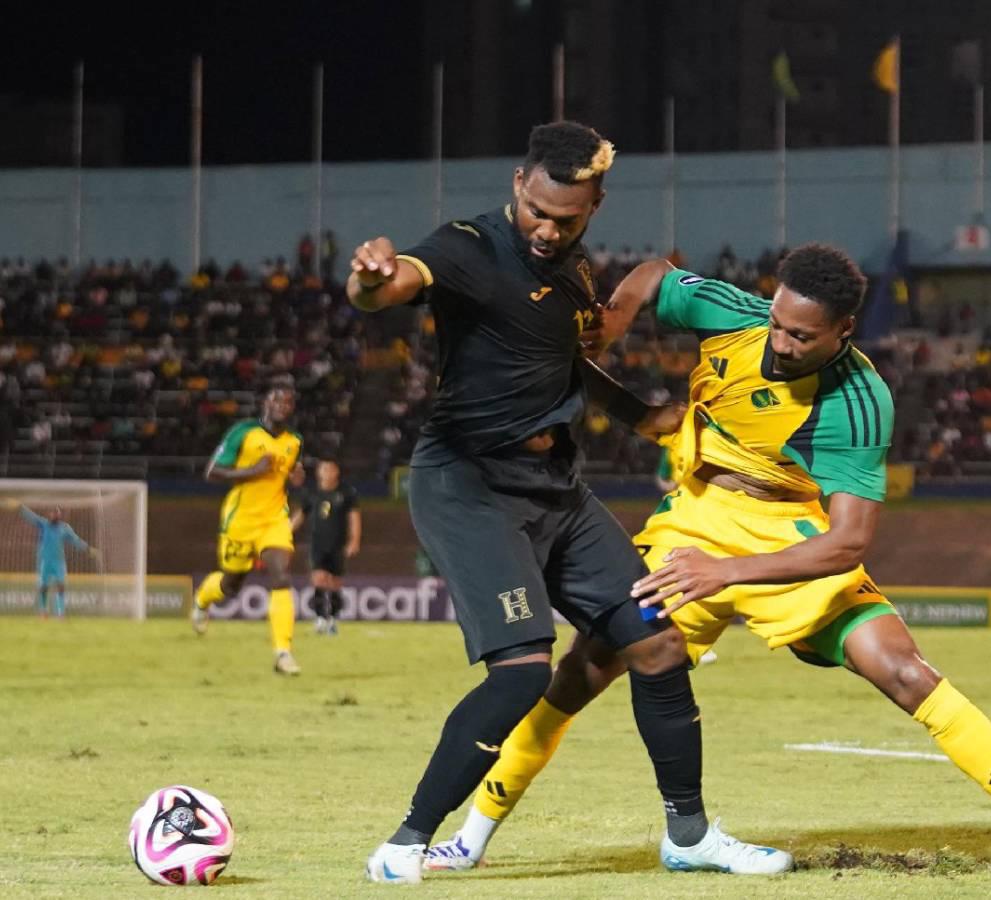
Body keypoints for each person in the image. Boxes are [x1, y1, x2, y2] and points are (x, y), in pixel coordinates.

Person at [424, 245, 991, 879]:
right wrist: (614, 327)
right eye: (779, 323)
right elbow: (654, 274)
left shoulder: (858, 402)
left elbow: (847, 543)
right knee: (582, 671)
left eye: (801, 336)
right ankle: (471, 837)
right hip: (694, 521)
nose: (780, 343)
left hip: (788, 535)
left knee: (904, 669)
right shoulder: (735, 316)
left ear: (843, 330)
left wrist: (723, 572)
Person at [347, 120, 788, 884]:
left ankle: (689, 837)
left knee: (657, 643)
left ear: (595, 206)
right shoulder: (468, 248)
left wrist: (643, 415)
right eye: (538, 213)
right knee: (521, 671)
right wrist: (369, 277)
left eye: (568, 219)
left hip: (557, 490)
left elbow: (575, 358)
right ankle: (405, 845)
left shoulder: (575, 272)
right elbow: (391, 287)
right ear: (519, 185)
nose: (548, 230)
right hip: (470, 485)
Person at [190, 381, 305, 676]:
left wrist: (296, 479)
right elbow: (212, 472)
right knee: (232, 586)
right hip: (240, 521)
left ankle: (283, 653)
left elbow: (289, 475)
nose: (282, 405)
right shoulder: (243, 432)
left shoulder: (295, 441)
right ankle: (203, 599)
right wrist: (252, 471)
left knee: (281, 574)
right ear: (266, 403)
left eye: (288, 401)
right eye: (277, 399)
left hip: (274, 520)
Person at [289, 457, 361, 635]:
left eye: (331, 469)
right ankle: (321, 618)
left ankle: (333, 619)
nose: (327, 473)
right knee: (319, 578)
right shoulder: (311, 494)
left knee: (335, 582)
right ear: (318, 472)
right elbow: (300, 516)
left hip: (338, 545)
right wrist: (285, 533)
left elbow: (354, 518)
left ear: (337, 472)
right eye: (324, 469)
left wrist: (354, 540)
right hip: (317, 544)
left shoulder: (346, 493)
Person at [10, 502, 98, 617]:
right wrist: (20, 507)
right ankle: (43, 611)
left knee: (61, 585)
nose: (54, 515)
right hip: (44, 561)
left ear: (59, 515)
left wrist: (87, 548)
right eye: (52, 513)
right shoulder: (43, 524)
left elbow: (75, 540)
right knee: (44, 586)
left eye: (56, 512)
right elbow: (31, 517)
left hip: (59, 562)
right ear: (49, 514)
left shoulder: (64, 528)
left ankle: (61, 613)